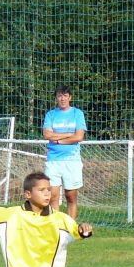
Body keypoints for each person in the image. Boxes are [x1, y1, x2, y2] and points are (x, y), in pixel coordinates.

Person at [42, 84, 87, 218]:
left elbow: (79, 137)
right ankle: (56, 228)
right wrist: (68, 134)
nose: (62, 99)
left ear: (70, 97)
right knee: (52, 196)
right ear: (56, 98)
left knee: (70, 196)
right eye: (59, 96)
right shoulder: (50, 115)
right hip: (53, 160)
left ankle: (70, 227)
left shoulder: (77, 114)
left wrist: (59, 140)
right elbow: (47, 135)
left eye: (65, 96)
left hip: (71, 160)